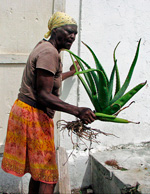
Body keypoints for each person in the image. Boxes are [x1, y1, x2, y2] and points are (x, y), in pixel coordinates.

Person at [1, 11, 96, 194]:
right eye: (69, 32)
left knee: (38, 173)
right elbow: (44, 94)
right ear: (55, 30)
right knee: (47, 175)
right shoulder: (49, 53)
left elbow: (49, 79)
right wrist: (78, 111)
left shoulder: (44, 47)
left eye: (75, 33)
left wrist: (70, 73)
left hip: (26, 111)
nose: (73, 37)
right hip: (33, 115)